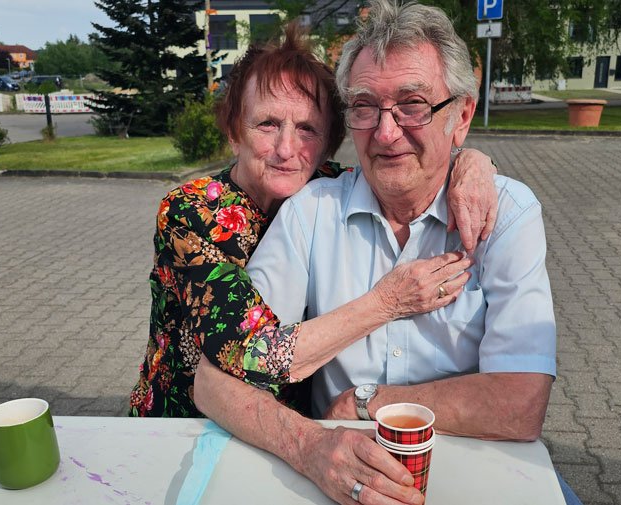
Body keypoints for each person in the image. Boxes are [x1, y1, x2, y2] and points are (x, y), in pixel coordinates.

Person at [198, 1, 582, 504]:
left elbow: (520, 404)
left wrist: (364, 404)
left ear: (461, 116)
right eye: (364, 106)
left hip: (471, 466)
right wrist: (308, 445)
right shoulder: (312, 210)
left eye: (413, 104)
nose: (385, 132)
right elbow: (213, 380)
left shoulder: (505, 214)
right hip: (335, 472)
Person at [128, 23, 499, 419]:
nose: (286, 149)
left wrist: (472, 162)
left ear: (328, 142)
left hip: (291, 422)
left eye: (307, 129)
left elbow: (415, 161)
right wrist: (387, 303)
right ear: (235, 132)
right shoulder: (191, 212)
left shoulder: (324, 187)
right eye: (267, 124)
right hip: (189, 422)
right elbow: (246, 352)